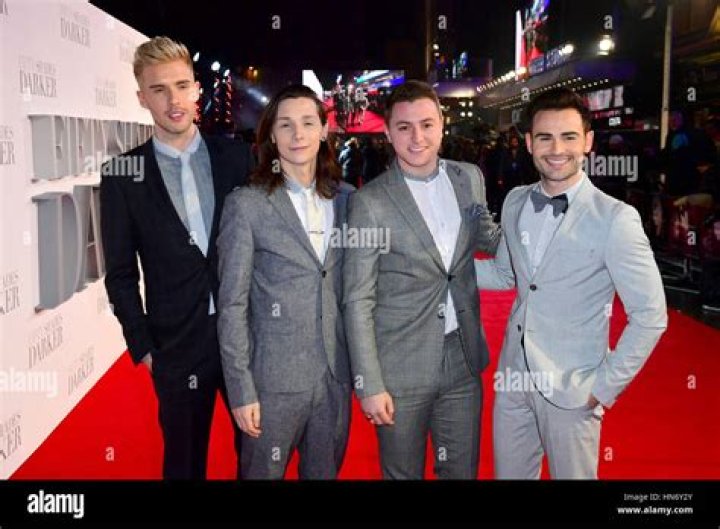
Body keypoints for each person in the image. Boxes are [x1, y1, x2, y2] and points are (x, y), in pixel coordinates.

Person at [475, 88, 668, 479]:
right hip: (513, 377)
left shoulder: (615, 218)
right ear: (529, 143)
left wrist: (603, 387)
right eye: (545, 137)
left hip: (573, 389)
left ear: (588, 141)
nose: (556, 149)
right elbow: (505, 274)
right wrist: (439, 268)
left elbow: (651, 315)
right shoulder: (515, 201)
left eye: (569, 137)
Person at [101, 36, 250, 479]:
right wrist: (144, 346)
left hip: (246, 337)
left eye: (182, 86)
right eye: (159, 90)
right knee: (183, 466)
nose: (174, 101)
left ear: (197, 89)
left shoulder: (238, 158)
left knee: (259, 459)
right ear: (141, 98)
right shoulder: (122, 175)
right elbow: (120, 274)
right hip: (176, 348)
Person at [343, 80, 500, 479]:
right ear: (387, 131)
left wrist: (536, 220)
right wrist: (369, 383)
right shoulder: (370, 202)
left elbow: (489, 239)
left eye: (427, 125)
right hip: (399, 365)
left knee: (461, 472)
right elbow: (358, 299)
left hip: (463, 357)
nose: (417, 138)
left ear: (442, 125)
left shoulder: (469, 178)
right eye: (404, 127)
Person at [216, 84, 353, 479]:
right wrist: (241, 389)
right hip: (271, 383)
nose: (298, 135)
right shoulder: (246, 204)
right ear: (271, 136)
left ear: (324, 131)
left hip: (335, 379)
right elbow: (232, 305)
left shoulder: (346, 199)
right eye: (286, 125)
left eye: (308, 123)